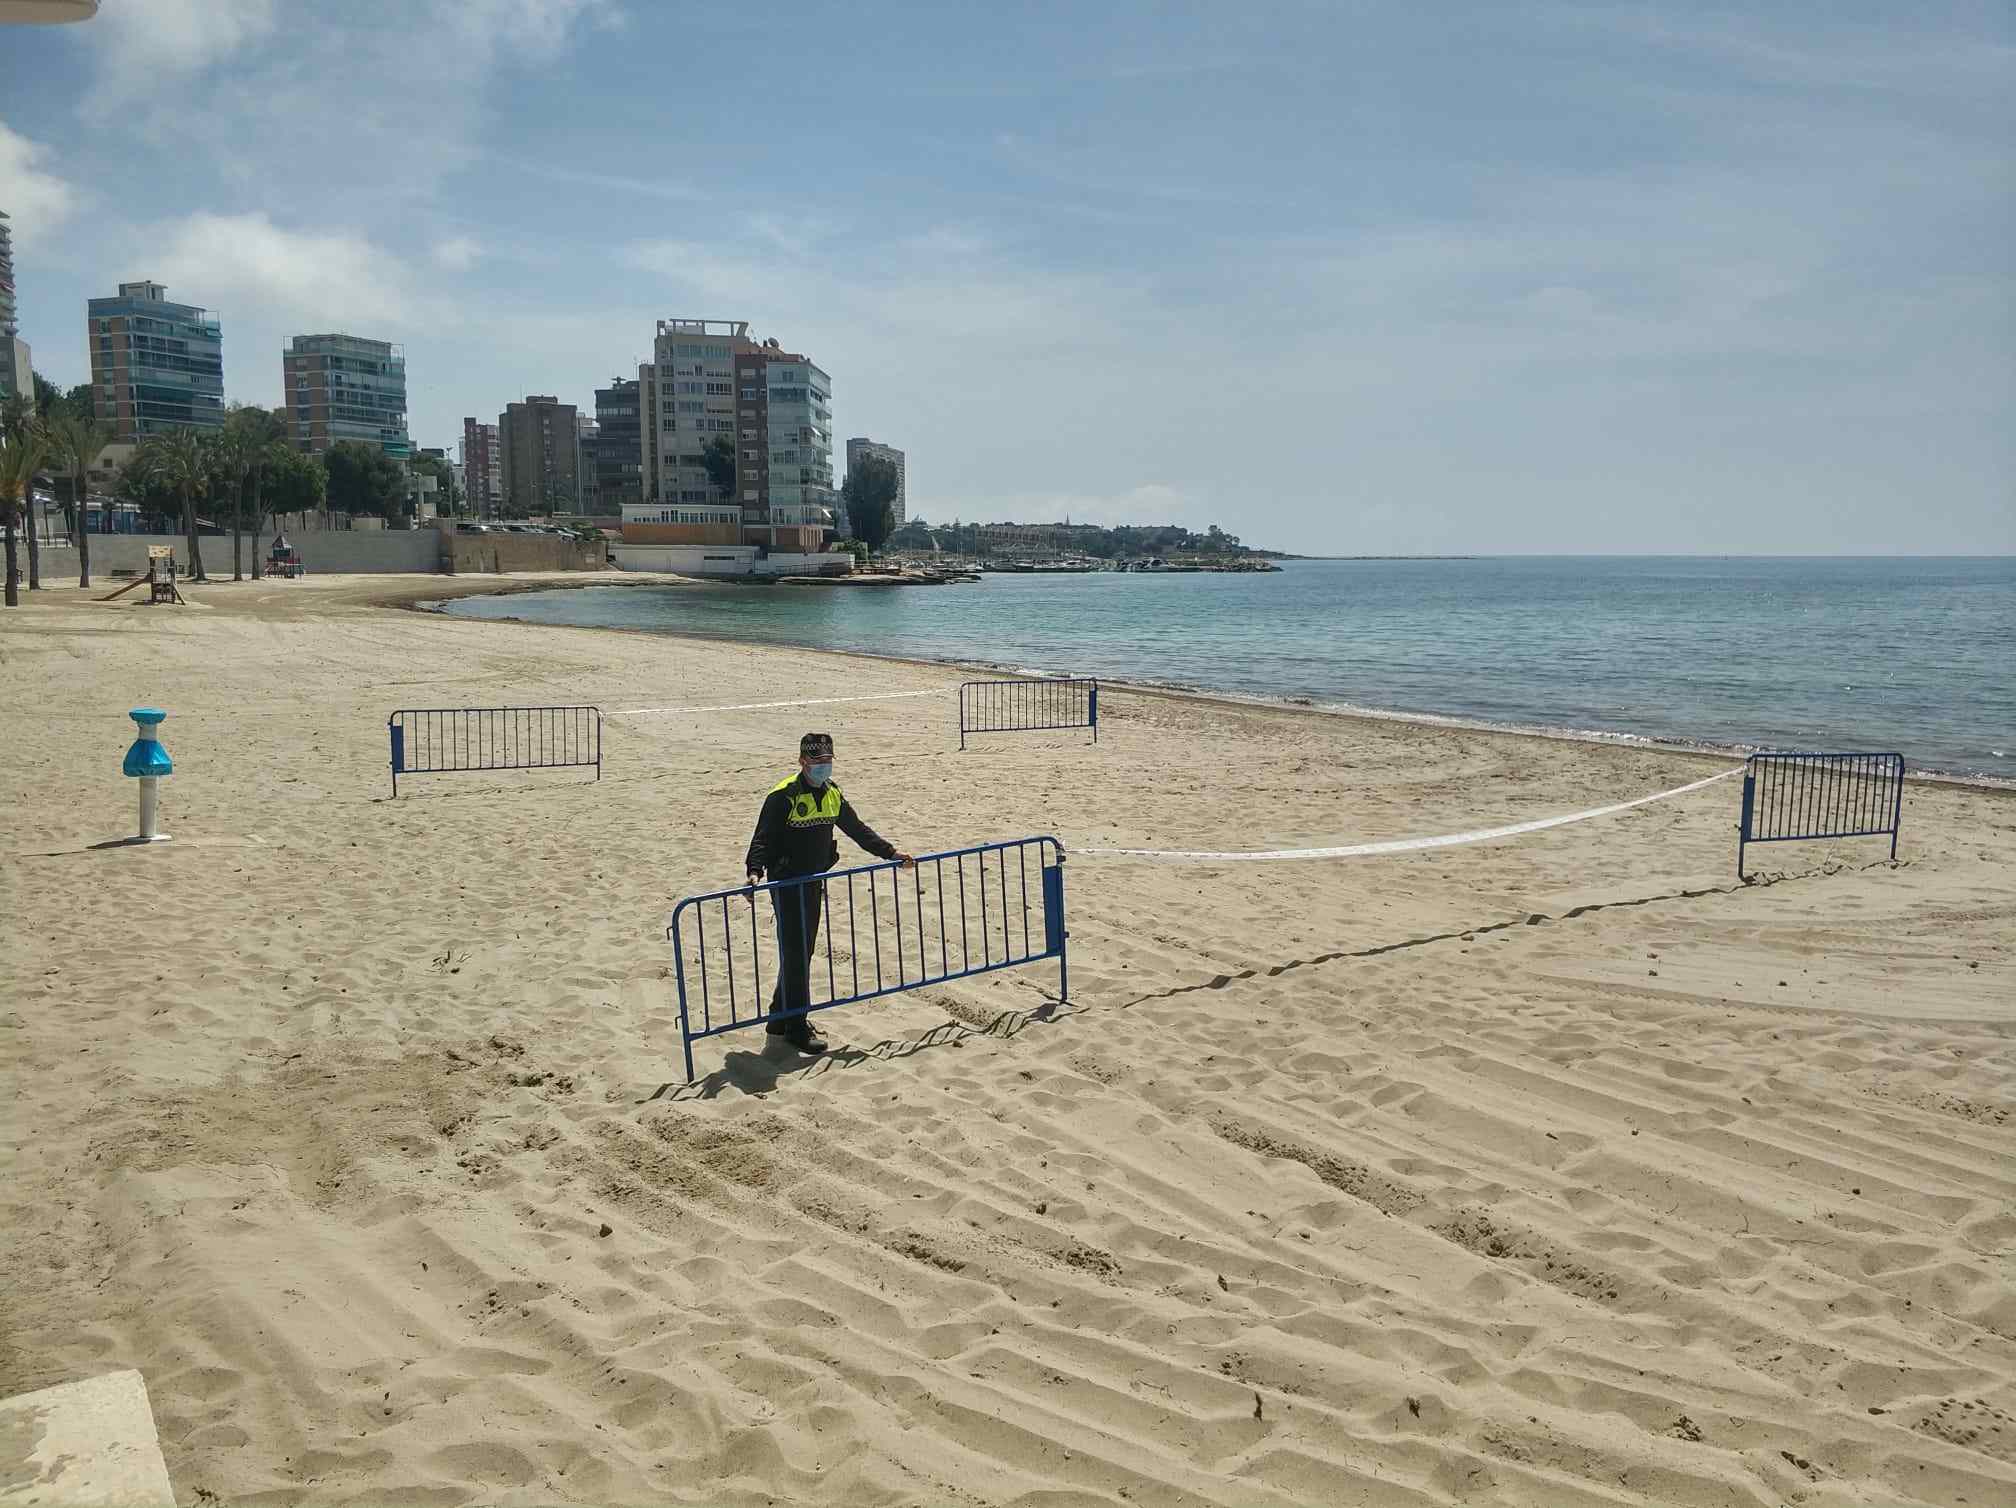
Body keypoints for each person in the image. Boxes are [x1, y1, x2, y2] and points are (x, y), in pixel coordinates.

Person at [744, 732, 914, 1054]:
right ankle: (795, 1026)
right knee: (796, 955)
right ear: (802, 761)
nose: (823, 767)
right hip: (787, 885)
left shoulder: (832, 794)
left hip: (813, 882)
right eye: (817, 761)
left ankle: (779, 1017)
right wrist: (754, 872)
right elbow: (762, 839)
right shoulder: (784, 795)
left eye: (827, 761)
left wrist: (890, 853)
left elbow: (857, 829)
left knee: (801, 954)